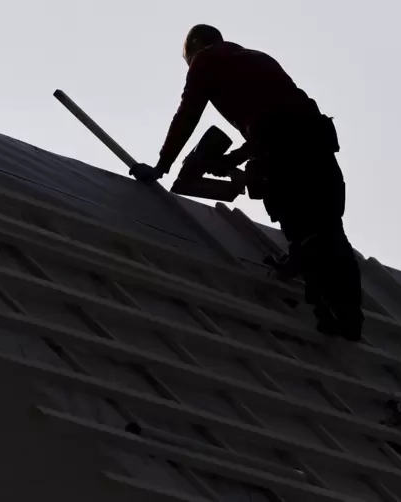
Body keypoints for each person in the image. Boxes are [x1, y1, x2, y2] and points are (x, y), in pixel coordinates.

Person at [131, 24, 363, 341]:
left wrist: (162, 165)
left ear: (195, 50)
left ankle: (331, 313)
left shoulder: (205, 61)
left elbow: (189, 113)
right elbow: (276, 119)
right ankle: (349, 315)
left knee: (309, 233)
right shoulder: (258, 59)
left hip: (285, 154)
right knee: (328, 226)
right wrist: (234, 160)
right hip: (316, 144)